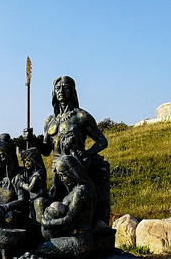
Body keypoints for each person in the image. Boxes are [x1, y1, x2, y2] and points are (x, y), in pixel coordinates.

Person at [24, 75, 111, 225]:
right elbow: (46, 150)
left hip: (74, 168)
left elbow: (102, 141)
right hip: (55, 169)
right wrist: (32, 139)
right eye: (58, 88)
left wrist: (88, 153)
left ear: (72, 91)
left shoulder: (81, 116)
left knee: (73, 204)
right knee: (54, 202)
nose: (61, 91)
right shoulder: (50, 120)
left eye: (66, 87)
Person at [35, 155, 96, 259]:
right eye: (60, 176)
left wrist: (47, 223)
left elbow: (68, 219)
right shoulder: (80, 188)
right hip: (77, 236)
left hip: (79, 240)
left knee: (40, 249)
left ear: (71, 172)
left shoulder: (80, 192)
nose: (62, 179)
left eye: (63, 175)